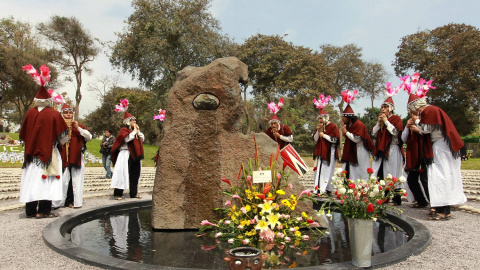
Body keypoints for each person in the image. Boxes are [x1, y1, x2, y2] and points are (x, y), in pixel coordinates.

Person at [19, 64, 68, 218]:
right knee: (47, 181)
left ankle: (30, 210)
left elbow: (23, 135)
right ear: (49, 100)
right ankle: (44, 211)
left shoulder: (29, 113)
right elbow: (63, 137)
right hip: (49, 153)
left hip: (32, 154)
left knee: (32, 180)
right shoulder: (53, 115)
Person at [407, 92, 466, 220]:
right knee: (435, 177)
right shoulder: (429, 111)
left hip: (441, 147)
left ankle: (444, 210)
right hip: (438, 146)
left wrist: (416, 120)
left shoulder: (430, 110)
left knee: (441, 176)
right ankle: (438, 207)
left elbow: (426, 128)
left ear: (416, 107)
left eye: (413, 110)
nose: (414, 113)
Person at [53, 104, 92, 209]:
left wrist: (78, 127)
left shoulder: (79, 126)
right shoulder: (58, 125)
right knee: (63, 180)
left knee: (76, 180)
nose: (68, 115)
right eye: (66, 113)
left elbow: (89, 137)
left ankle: (76, 202)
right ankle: (60, 202)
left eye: (70, 113)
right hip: (63, 157)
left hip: (76, 157)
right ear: (62, 114)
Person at [371, 96, 404, 205]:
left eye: (385, 107)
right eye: (382, 107)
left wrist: (386, 122)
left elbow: (396, 133)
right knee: (384, 174)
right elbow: (373, 134)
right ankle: (384, 197)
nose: (383, 109)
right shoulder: (381, 121)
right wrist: (378, 122)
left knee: (394, 174)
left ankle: (396, 199)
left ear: (391, 108)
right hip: (383, 151)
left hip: (393, 149)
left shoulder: (396, 119)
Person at [340, 90, 374, 183]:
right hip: (352, 150)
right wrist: (345, 132)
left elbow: (357, 139)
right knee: (351, 170)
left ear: (348, 117)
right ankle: (351, 186)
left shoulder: (359, 125)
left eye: (344, 117)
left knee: (362, 169)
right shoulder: (349, 125)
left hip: (360, 150)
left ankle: (363, 186)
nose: (342, 119)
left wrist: (346, 132)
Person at [111, 111, 145, 200]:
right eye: (132, 120)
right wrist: (134, 132)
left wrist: (138, 131)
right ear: (128, 121)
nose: (134, 122)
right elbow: (127, 139)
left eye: (135, 120)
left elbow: (142, 138)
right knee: (122, 173)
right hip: (125, 154)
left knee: (135, 174)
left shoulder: (136, 131)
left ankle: (133, 193)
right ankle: (118, 193)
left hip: (135, 154)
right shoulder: (124, 130)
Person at [402, 110, 429, 209]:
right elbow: (404, 138)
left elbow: (429, 134)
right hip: (413, 155)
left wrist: (419, 130)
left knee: (425, 180)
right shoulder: (410, 122)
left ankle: (434, 203)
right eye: (410, 113)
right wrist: (406, 127)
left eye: (414, 113)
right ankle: (421, 201)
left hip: (422, 154)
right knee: (411, 180)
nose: (412, 115)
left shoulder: (424, 121)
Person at [313, 104, 339, 195]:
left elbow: (336, 140)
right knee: (319, 170)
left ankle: (327, 189)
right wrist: (318, 131)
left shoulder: (333, 126)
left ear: (326, 118)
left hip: (329, 152)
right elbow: (316, 139)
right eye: (319, 119)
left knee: (328, 170)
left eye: (321, 118)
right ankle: (318, 189)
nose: (320, 121)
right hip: (320, 151)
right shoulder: (320, 127)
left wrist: (324, 136)